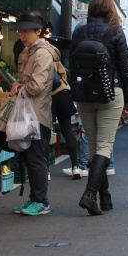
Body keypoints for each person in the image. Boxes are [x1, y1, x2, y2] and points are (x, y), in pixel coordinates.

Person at [69, 0, 128, 216]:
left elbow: (72, 64)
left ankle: (104, 198)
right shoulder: (115, 32)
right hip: (110, 93)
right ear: (109, 10)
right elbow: (125, 68)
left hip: (84, 95)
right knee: (105, 146)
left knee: (95, 147)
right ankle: (89, 195)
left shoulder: (78, 31)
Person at [8, 12, 58, 216]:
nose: (22, 34)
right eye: (20, 30)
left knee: (36, 159)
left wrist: (20, 88)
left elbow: (36, 86)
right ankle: (34, 198)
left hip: (37, 114)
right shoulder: (29, 51)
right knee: (29, 158)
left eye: (27, 30)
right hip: (29, 114)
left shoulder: (43, 53)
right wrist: (18, 84)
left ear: (39, 31)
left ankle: (42, 201)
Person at [49, 50, 82, 181]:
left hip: (47, 97)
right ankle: (75, 167)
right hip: (62, 93)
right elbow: (63, 73)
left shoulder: (32, 54)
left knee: (45, 132)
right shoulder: (53, 54)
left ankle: (45, 171)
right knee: (67, 131)